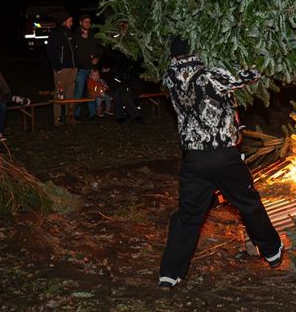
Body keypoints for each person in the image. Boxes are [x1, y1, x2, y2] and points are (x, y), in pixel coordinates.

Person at [158, 38, 282, 288]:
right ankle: (272, 251)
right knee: (248, 203)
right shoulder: (211, 76)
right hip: (223, 156)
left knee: (188, 215)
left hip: (193, 159)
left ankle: (169, 273)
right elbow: (248, 76)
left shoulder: (168, 80)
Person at [46, 11, 78, 126]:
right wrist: (57, 66)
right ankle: (57, 118)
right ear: (64, 22)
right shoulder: (56, 34)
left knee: (70, 93)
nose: (72, 23)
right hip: (62, 69)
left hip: (73, 68)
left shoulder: (70, 34)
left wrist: (76, 65)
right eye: (70, 21)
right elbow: (51, 51)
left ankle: (69, 116)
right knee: (60, 93)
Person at [100, 51, 143, 123]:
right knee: (118, 94)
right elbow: (111, 85)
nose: (104, 70)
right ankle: (120, 117)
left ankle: (135, 116)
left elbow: (124, 80)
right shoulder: (106, 75)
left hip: (130, 87)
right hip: (119, 89)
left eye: (104, 69)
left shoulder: (117, 70)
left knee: (124, 95)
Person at [73, 14, 101, 120]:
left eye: (89, 22)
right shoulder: (75, 35)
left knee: (92, 91)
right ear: (80, 23)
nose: (88, 24)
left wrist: (97, 57)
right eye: (86, 22)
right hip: (80, 69)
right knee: (78, 92)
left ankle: (93, 113)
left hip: (92, 69)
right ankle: (75, 113)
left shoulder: (93, 34)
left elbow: (99, 48)